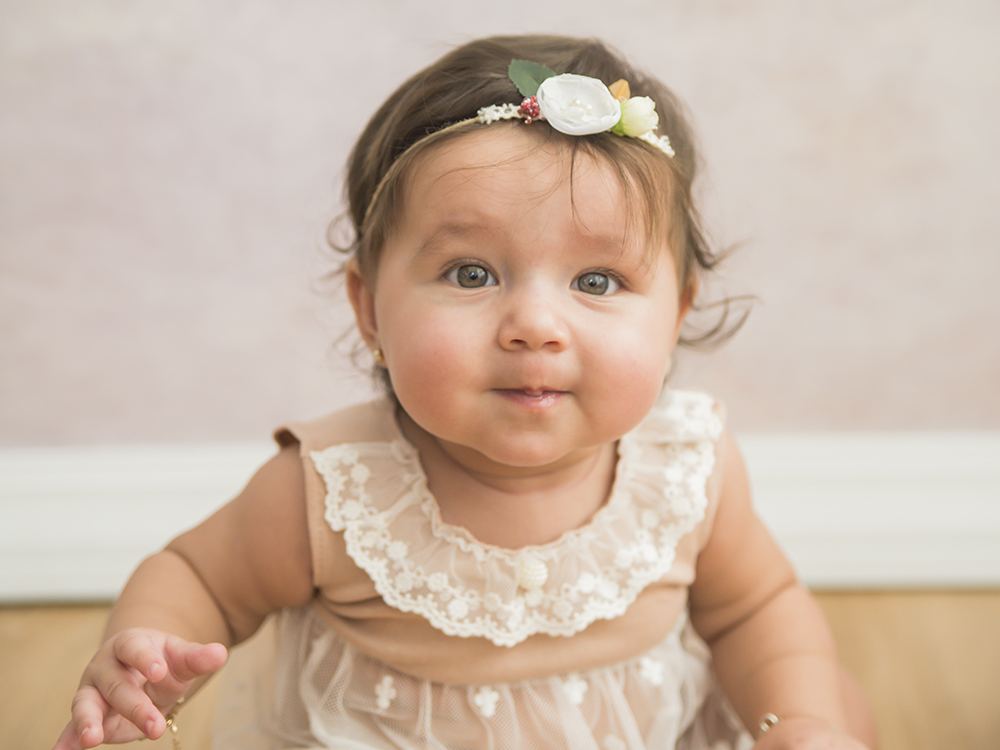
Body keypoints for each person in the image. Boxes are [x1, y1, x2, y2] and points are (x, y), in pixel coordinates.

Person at [54, 35, 877, 750]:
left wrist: (794, 717)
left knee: (837, 707)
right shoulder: (335, 488)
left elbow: (753, 609)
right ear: (370, 307)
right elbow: (199, 576)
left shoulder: (686, 470)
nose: (534, 325)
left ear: (675, 316)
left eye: (597, 279)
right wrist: (149, 651)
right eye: (471, 273)